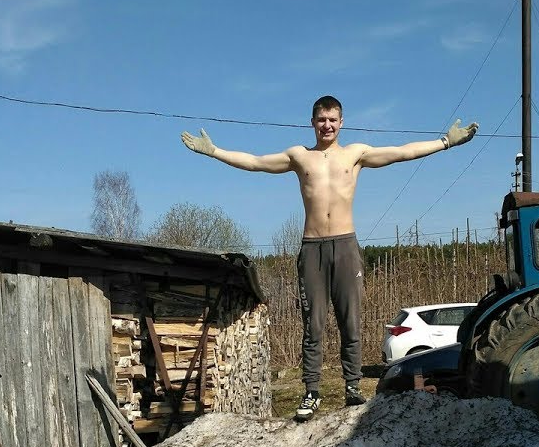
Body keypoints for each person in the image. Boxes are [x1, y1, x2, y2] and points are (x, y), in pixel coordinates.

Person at [181, 95, 478, 421]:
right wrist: (215, 151)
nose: (327, 125)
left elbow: (401, 153)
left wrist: (445, 142)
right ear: (313, 122)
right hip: (312, 249)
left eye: (333, 120)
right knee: (314, 326)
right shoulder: (299, 156)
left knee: (350, 322)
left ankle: (352, 388)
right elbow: (255, 162)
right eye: (322, 119)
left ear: (341, 122)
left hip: (345, 246)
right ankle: (311, 393)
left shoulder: (355, 154)